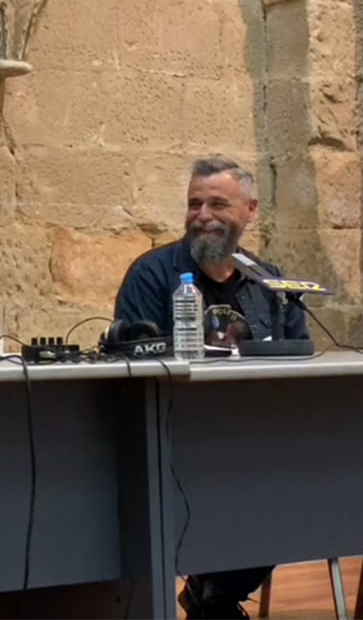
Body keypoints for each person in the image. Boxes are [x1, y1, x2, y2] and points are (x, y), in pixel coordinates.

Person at [113, 155, 310, 620]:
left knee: (306, 480)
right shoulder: (153, 274)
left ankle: (214, 594)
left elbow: (300, 354)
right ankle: (215, 597)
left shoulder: (271, 280)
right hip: (179, 436)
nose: (203, 215)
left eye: (218, 204)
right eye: (194, 204)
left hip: (261, 434)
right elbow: (129, 358)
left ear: (250, 210)